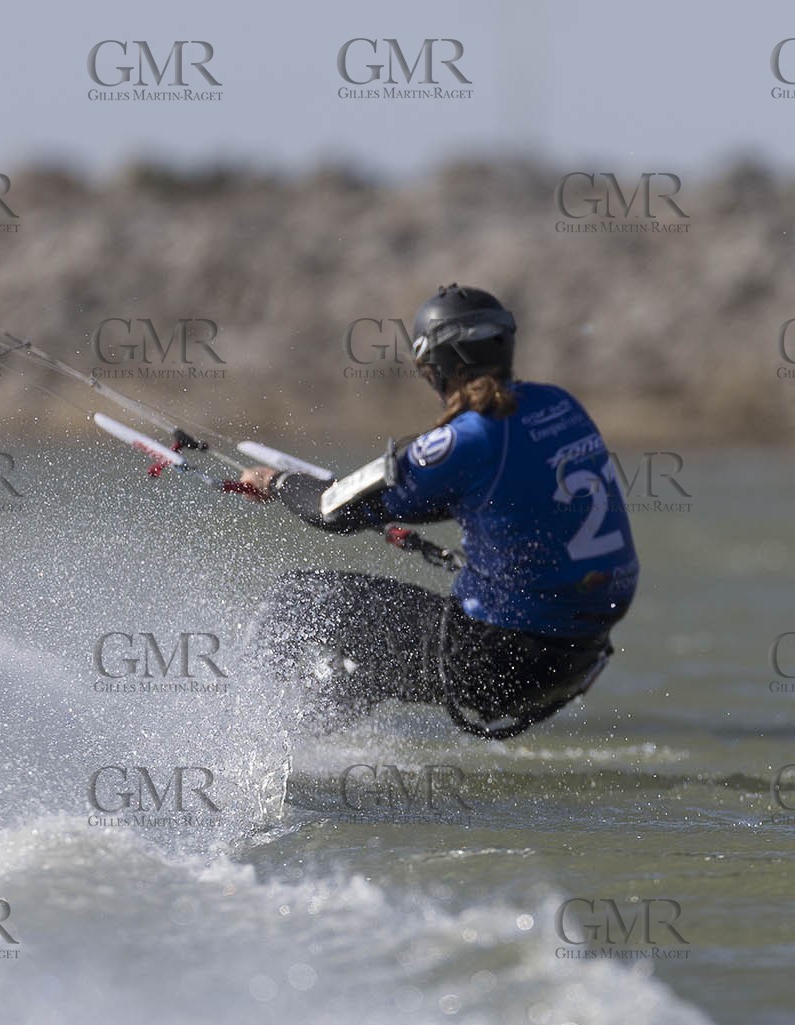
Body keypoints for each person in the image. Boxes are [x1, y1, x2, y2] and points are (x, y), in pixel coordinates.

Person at [239, 284, 639, 738]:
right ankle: (309, 751)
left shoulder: (464, 441)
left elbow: (332, 510)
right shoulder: (562, 406)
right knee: (364, 656)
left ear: (434, 369)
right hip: (576, 660)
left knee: (300, 599)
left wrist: (276, 483)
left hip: (496, 660)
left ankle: (241, 745)